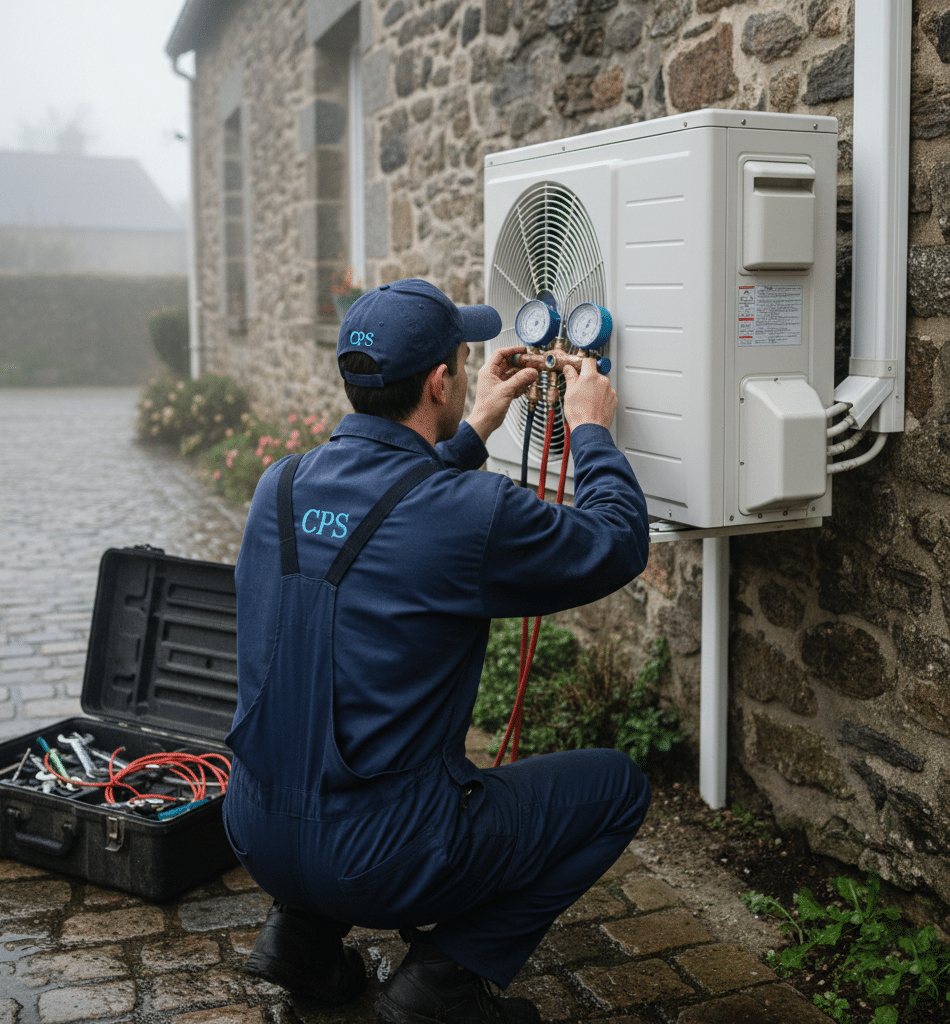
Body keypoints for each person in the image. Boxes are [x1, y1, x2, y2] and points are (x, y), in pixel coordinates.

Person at [222, 278, 651, 1024]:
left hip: (256, 831)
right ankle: (444, 985)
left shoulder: (279, 487)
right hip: (384, 857)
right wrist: (590, 429)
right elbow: (615, 544)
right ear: (438, 381)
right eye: (462, 356)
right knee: (617, 789)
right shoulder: (468, 512)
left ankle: (304, 941)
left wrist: (477, 428)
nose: (466, 368)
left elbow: (388, 515)